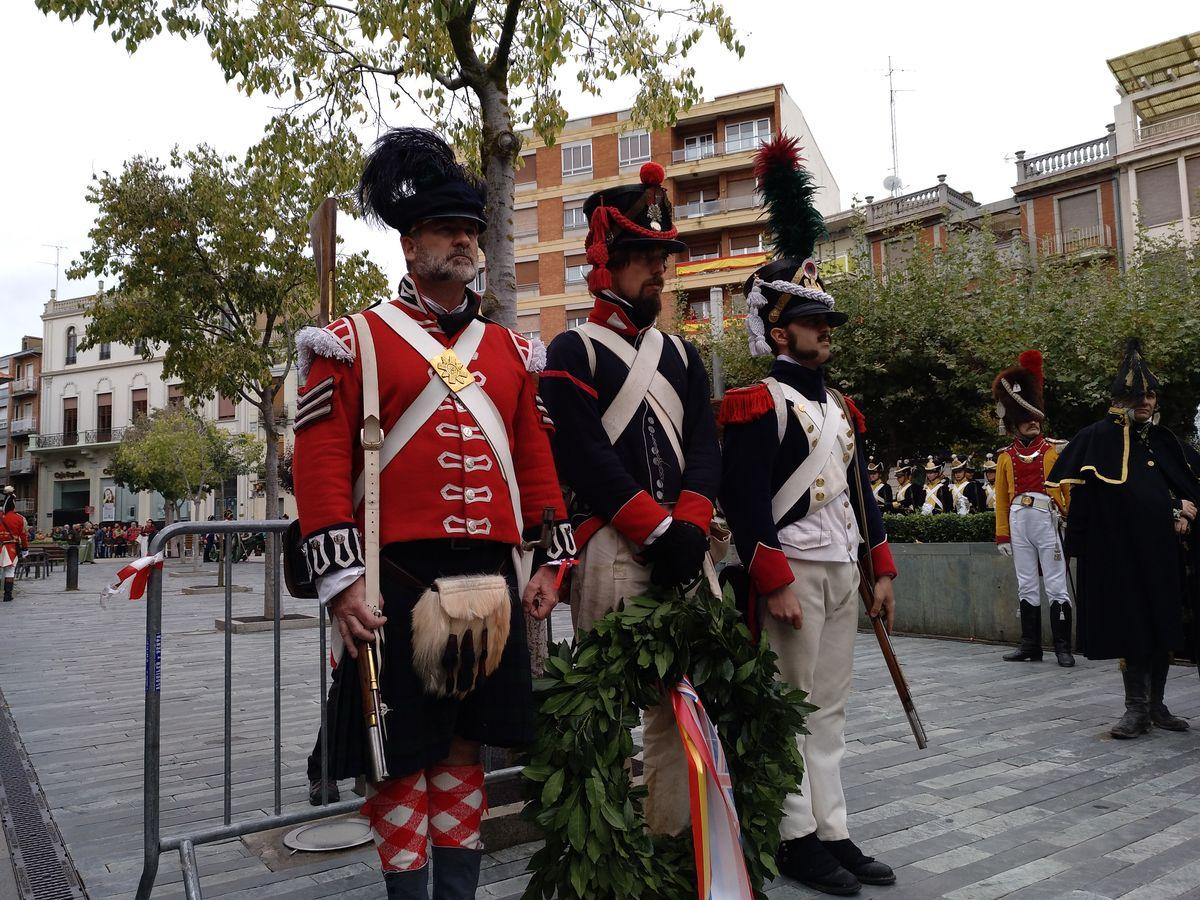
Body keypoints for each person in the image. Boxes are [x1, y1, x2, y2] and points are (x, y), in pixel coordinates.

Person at [292, 128, 576, 900]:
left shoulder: (513, 352)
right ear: (410, 243)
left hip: (487, 578)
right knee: (398, 758)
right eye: (448, 230)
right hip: (393, 580)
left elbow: (534, 462)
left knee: (462, 755)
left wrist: (552, 558)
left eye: (472, 232)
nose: (464, 242)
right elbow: (317, 468)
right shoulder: (350, 342)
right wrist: (342, 581)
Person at [718, 134, 898, 897]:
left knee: (831, 708)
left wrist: (880, 566)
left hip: (841, 573)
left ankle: (835, 828)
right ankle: (795, 836)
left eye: (828, 321)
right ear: (779, 328)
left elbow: (862, 494)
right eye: (813, 320)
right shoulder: (758, 402)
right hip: (791, 575)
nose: (827, 330)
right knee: (792, 708)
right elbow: (745, 499)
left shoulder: (841, 407)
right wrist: (772, 575)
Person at [539, 158, 720, 838]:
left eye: (662, 256)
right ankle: (609, 857)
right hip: (614, 549)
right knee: (606, 714)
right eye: (643, 256)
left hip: (683, 547)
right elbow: (585, 458)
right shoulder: (571, 351)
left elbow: (705, 449)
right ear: (606, 263)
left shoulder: (682, 357)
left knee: (678, 713)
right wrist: (658, 531)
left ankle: (672, 844)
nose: (659, 269)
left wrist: (692, 528)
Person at [1048, 339, 1198, 737]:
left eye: (1149, 394)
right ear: (1119, 399)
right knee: (1134, 626)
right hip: (1123, 555)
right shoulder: (1098, 438)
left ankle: (1158, 705)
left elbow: (1188, 486)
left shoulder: (1165, 441)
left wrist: (1187, 507)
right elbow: (1098, 498)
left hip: (1166, 556)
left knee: (1165, 625)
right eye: (1136, 395)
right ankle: (1136, 709)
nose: (1145, 402)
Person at [992, 350, 1073, 667]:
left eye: (1035, 419)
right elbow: (1001, 499)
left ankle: (1063, 647)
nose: (1032, 424)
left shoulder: (1056, 451)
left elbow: (1068, 492)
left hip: (1048, 523)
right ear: (1014, 423)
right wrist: (1002, 535)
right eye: (1026, 420)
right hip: (1018, 523)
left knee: (1056, 583)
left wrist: (1070, 520)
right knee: (1026, 583)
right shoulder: (1004, 457)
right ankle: (1030, 645)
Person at [1, 487, 30, 601]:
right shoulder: (19, 518)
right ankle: (7, 595)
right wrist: (25, 550)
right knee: (9, 571)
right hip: (11, 547)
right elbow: (23, 536)